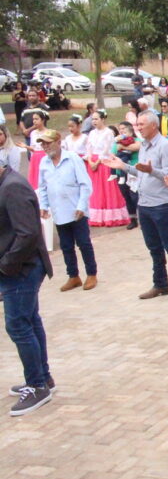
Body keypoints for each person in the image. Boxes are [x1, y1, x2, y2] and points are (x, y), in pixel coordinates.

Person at [101, 111, 168, 304]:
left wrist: (151, 170)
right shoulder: (144, 146)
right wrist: (123, 166)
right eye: (137, 124)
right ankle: (161, 283)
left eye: (141, 124)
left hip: (161, 204)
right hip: (145, 203)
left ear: (154, 126)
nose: (137, 127)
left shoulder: (165, 146)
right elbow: (141, 172)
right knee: (153, 247)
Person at [0, 150, 55, 416]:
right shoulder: (6, 184)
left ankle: (37, 386)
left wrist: (6, 264)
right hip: (18, 267)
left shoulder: (12, 188)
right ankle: (42, 377)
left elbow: (27, 234)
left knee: (18, 325)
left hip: (22, 269)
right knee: (29, 321)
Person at [37, 129, 98, 292]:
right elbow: (42, 187)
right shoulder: (44, 163)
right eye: (43, 144)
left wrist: (81, 206)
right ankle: (73, 275)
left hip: (76, 209)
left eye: (48, 143)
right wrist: (43, 205)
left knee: (84, 243)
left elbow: (85, 184)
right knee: (66, 246)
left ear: (58, 142)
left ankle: (91, 273)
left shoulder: (72, 159)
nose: (45, 146)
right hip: (58, 210)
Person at [112, 121, 140, 230]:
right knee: (127, 196)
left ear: (130, 129)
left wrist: (123, 146)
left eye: (123, 128)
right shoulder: (116, 142)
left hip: (134, 172)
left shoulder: (137, 140)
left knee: (135, 196)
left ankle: (142, 217)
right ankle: (132, 219)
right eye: (120, 129)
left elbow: (136, 147)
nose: (121, 131)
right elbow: (113, 152)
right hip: (121, 172)